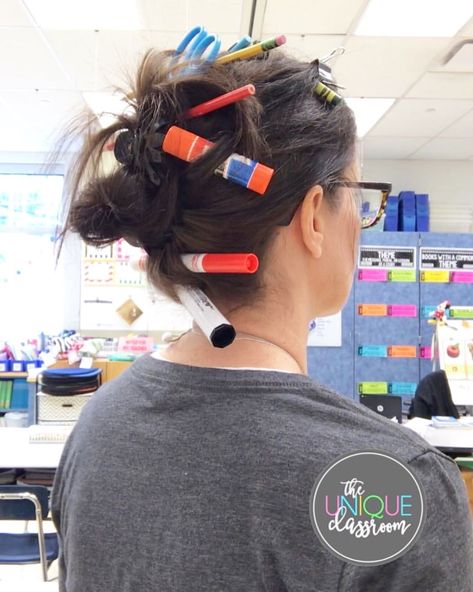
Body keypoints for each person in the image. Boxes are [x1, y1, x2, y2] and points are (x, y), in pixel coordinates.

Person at [51, 40, 473, 592]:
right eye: (359, 196)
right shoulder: (396, 483)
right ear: (314, 217)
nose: (362, 221)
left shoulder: (99, 422)